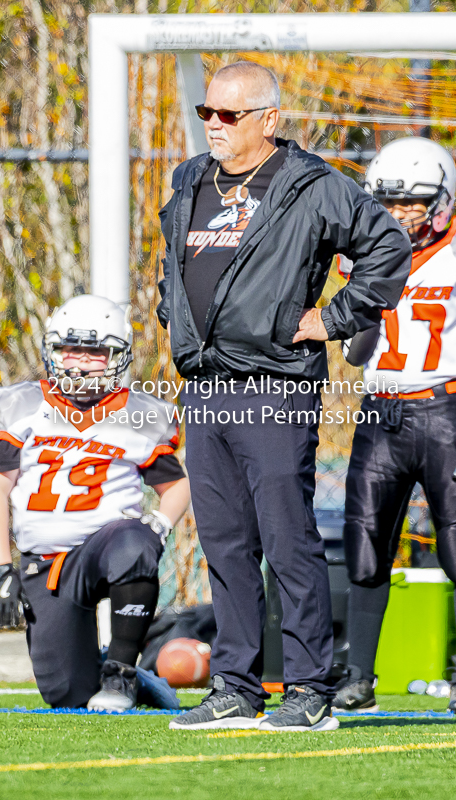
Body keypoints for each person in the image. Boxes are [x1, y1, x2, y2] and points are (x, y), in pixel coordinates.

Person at [158, 61, 411, 731]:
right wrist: (173, 317)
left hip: (276, 386)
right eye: (206, 112)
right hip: (206, 388)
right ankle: (235, 687)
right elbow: (172, 269)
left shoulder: (313, 187)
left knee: (286, 537)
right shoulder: (189, 183)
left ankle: (309, 688)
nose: (213, 124)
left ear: (268, 121)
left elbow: (388, 245)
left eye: (229, 115)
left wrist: (329, 319)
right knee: (225, 542)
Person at [335, 137, 456, 714]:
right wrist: (369, 293)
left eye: (412, 204)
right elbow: (358, 355)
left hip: (446, 413)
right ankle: (360, 678)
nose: (401, 215)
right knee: (364, 550)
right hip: (381, 412)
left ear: (442, 200)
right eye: (390, 204)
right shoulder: (366, 251)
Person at [0, 294, 190, 711]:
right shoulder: (21, 405)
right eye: (69, 349)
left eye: (93, 351)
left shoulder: (139, 413)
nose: (78, 361)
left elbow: (177, 486)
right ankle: (135, 680)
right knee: (68, 697)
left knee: (135, 542)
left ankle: (123, 672)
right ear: (51, 351)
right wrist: (0, 567)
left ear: (117, 356)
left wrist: (158, 526)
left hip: (107, 544)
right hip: (46, 563)